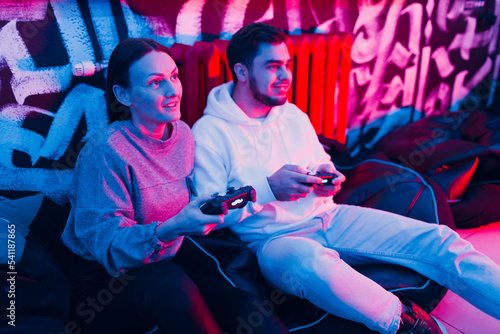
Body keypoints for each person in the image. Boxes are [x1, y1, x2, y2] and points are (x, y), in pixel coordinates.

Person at [191, 23, 500, 334]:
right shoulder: (208, 132)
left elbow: (320, 162)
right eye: (273, 67)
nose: (285, 76)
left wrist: (330, 176)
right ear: (242, 73)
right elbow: (210, 214)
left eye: (287, 65)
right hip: (273, 242)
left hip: (331, 216)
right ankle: (408, 324)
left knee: (441, 240)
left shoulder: (293, 115)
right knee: (308, 261)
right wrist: (268, 189)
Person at [61, 37, 289, 334]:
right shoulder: (104, 151)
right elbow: (110, 249)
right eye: (156, 83)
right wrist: (173, 227)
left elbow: (184, 203)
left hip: (165, 259)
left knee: (241, 305)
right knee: (168, 281)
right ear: (124, 94)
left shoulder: (182, 134)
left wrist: (207, 210)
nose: (172, 91)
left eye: (174, 77)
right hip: (103, 284)